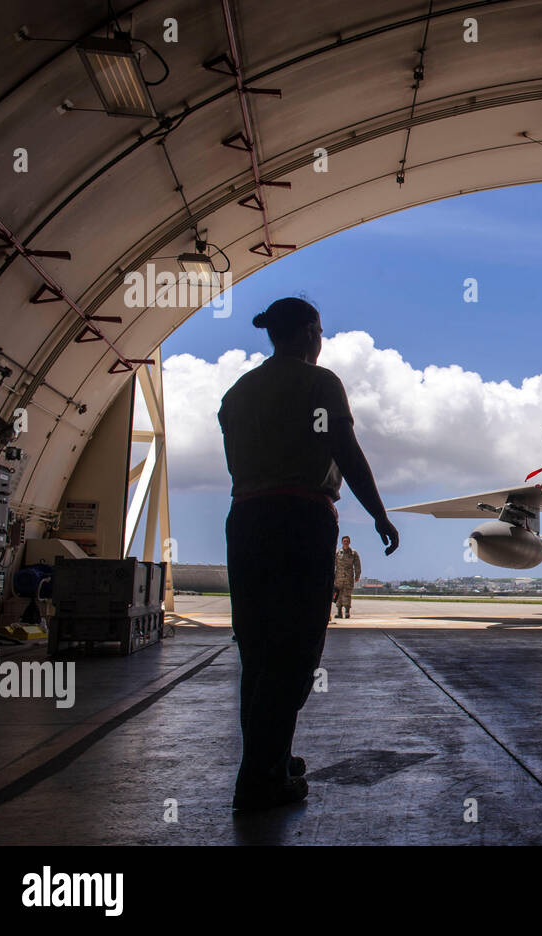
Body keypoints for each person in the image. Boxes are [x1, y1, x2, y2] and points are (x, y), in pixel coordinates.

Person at [219, 297, 399, 811]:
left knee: (256, 650)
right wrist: (379, 514)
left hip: (247, 519)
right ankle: (260, 780)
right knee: (296, 652)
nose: (321, 342)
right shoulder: (320, 384)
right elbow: (346, 450)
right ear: (306, 334)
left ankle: (268, 759)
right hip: (299, 519)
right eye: (318, 332)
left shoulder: (239, 391)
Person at [333, 536, 361, 618]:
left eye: (347, 541)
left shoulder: (353, 553)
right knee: (338, 595)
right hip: (338, 577)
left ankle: (347, 612)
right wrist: (333, 577)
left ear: (349, 542)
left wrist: (357, 575)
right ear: (342, 542)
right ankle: (339, 612)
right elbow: (333, 565)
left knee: (347, 594)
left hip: (349, 577)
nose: (346, 542)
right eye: (344, 541)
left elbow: (357, 565)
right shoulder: (338, 553)